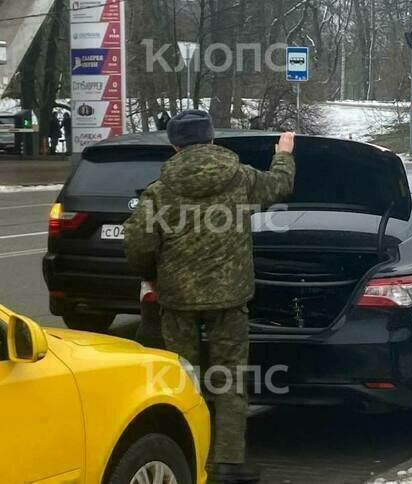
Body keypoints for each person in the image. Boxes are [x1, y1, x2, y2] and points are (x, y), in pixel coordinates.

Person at [123, 110, 296, 483]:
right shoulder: (241, 177)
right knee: (230, 380)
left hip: (177, 300)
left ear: (174, 145)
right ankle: (228, 462)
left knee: (183, 379)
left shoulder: (160, 189)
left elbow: (137, 243)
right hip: (230, 299)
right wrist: (283, 153)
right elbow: (279, 187)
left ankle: (191, 453)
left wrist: (151, 276)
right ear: (213, 139)